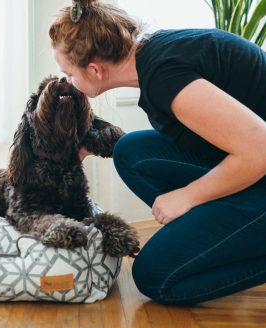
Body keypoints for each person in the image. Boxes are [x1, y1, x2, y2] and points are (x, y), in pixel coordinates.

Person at [49, 0, 266, 305]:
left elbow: (260, 149)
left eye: (68, 73)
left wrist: (188, 195)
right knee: (131, 152)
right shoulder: (154, 55)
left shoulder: (166, 77)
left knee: (155, 276)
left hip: (261, 160)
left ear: (95, 69)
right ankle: (221, 232)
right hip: (255, 168)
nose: (67, 81)